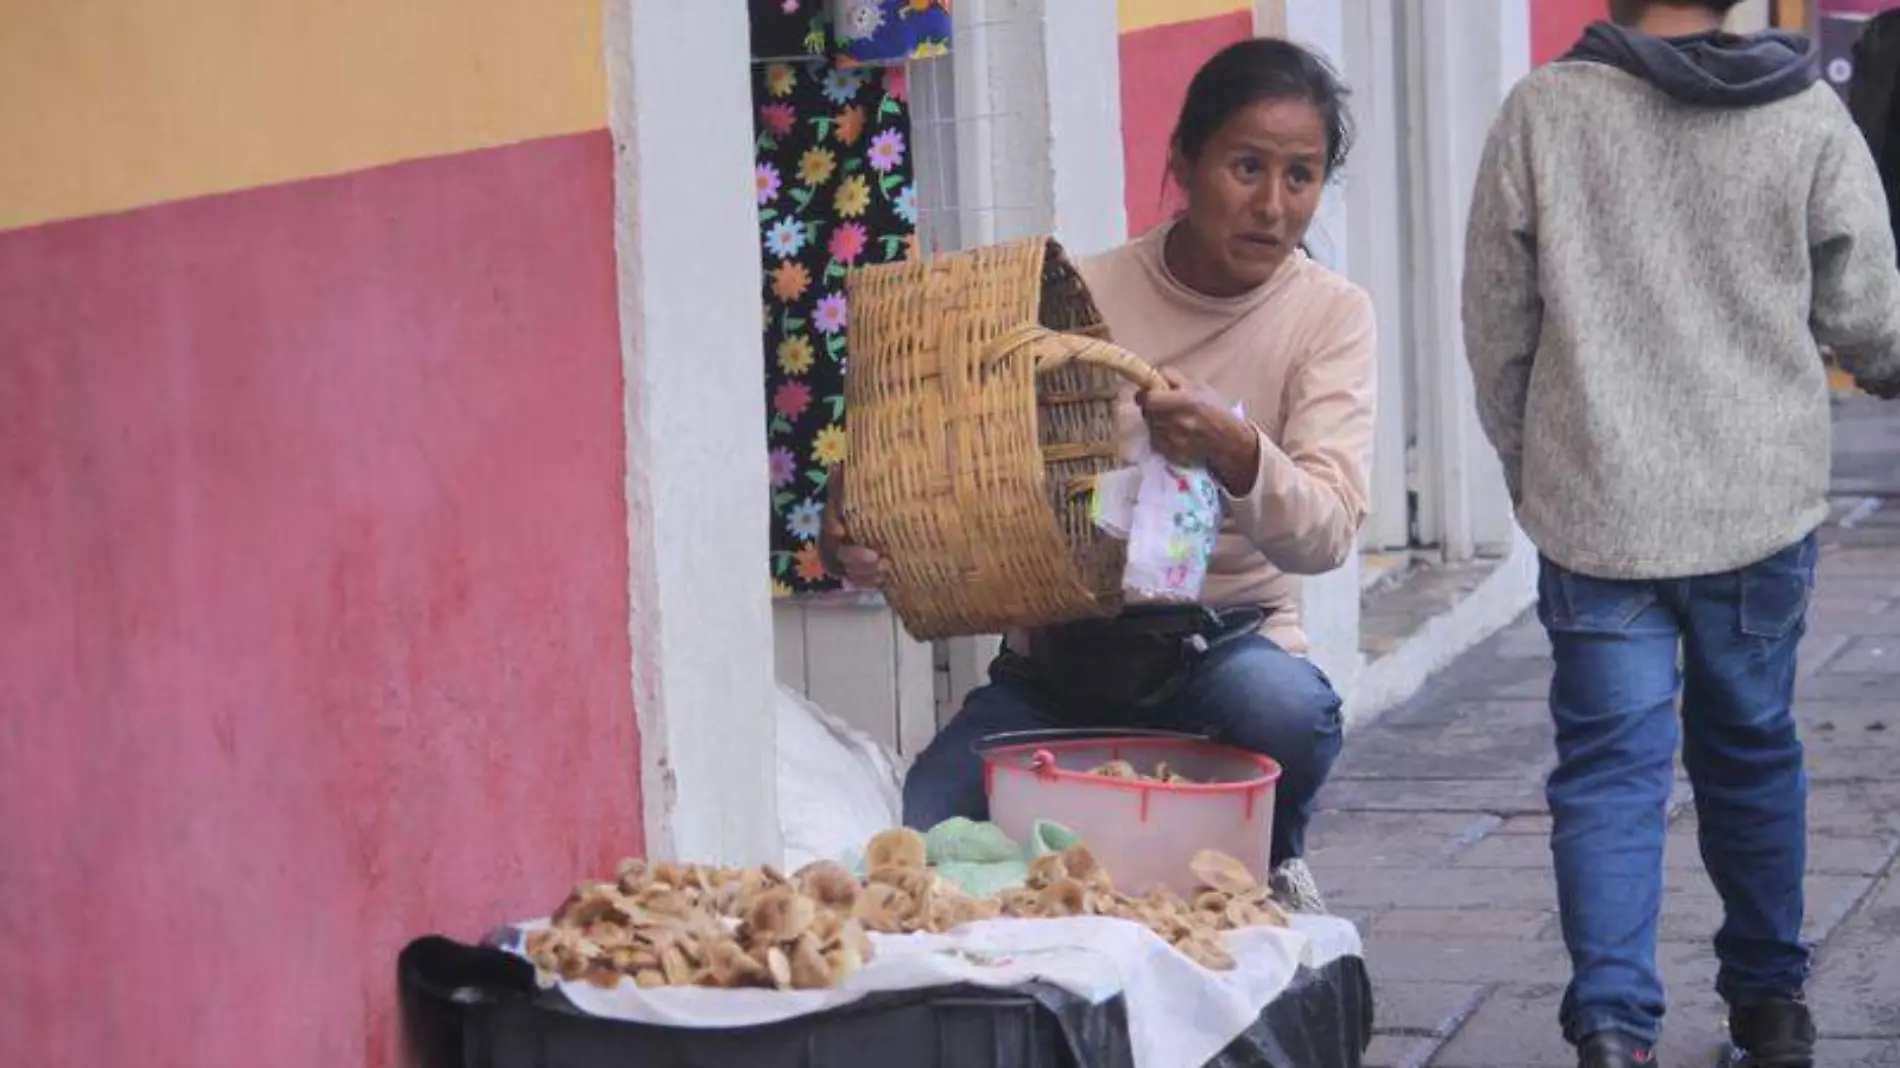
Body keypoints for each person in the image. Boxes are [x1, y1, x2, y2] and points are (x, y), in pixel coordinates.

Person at [821, 37, 1376, 913]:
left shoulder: (1330, 316)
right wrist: (867, 525)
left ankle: (1271, 857)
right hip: (1062, 667)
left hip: (1226, 649)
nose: (1273, 205)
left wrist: (1236, 450)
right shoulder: (1086, 294)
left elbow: (1329, 529)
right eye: (1245, 167)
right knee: (925, 832)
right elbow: (971, 466)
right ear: (1184, 162)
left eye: (1300, 177)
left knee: (1285, 711)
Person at [1462, 2, 1900, 1066]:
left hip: (1597, 503)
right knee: (1751, 752)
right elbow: (1866, 316)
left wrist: (1534, 462)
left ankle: (1612, 1021)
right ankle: (1769, 1003)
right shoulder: (1802, 112)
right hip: (1758, 502)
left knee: (1610, 770)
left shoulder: (1542, 112)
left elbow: (1495, 321)